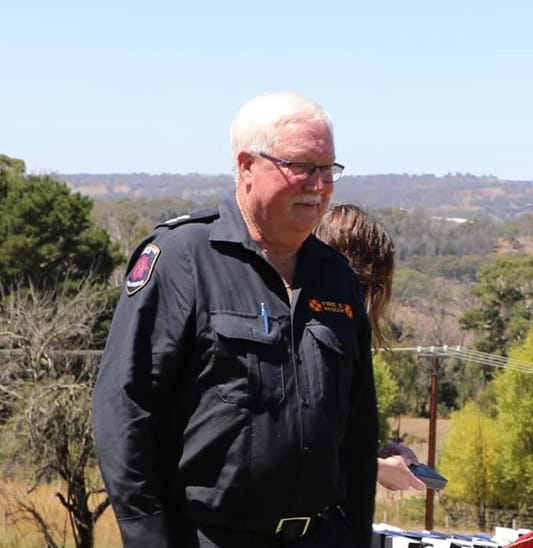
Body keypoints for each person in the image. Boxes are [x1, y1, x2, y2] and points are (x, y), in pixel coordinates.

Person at [92, 92, 378, 547]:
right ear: (247, 166)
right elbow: (124, 410)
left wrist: (355, 534)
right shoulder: (182, 260)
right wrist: (148, 538)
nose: (319, 185)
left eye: (328, 170)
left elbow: (359, 431)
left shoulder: (337, 277)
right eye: (301, 166)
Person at [315, 203, 425, 492]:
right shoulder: (316, 344)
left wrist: (376, 456)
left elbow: (329, 443)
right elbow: (290, 448)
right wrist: (376, 469)